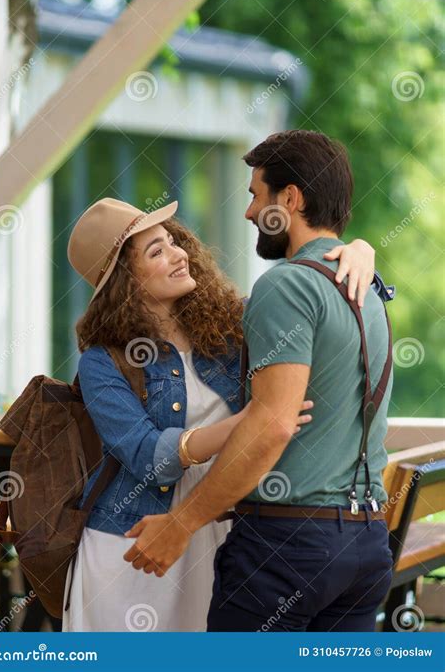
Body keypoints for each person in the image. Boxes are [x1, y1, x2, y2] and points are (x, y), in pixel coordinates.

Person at [123, 129, 395, 633]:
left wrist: (181, 524)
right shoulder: (369, 290)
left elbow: (271, 424)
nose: (249, 211)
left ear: (289, 199)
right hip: (365, 545)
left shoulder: (286, 285)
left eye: (255, 194)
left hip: (287, 550)